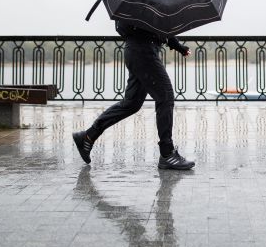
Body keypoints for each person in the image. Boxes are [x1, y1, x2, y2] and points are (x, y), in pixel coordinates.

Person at [72, 21, 195, 170]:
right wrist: (176, 45)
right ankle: (167, 154)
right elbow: (156, 25)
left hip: (139, 51)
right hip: (143, 52)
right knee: (165, 97)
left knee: (131, 104)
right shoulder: (142, 9)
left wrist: (178, 46)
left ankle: (88, 136)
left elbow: (161, 26)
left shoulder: (141, 10)